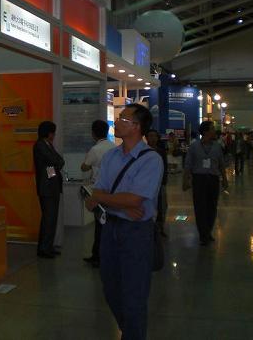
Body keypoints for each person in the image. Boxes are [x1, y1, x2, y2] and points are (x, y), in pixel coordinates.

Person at [84, 104, 163, 340]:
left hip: (136, 232)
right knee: (111, 289)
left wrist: (105, 199)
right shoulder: (111, 156)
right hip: (110, 229)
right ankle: (130, 332)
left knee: (134, 295)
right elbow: (99, 192)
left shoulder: (151, 160)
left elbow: (134, 199)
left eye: (123, 119)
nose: (116, 122)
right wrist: (119, 202)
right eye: (118, 118)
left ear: (136, 127)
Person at [182, 121, 228, 246]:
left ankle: (208, 231)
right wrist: (185, 180)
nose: (214, 131)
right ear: (206, 131)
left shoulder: (217, 146)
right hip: (199, 180)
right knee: (200, 207)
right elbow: (188, 165)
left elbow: (221, 164)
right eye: (212, 128)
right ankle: (203, 234)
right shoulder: (194, 146)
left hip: (213, 179)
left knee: (212, 207)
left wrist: (224, 179)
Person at [81, 120, 116, 267]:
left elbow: (84, 167)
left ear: (93, 133)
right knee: (108, 223)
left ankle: (98, 256)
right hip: (112, 190)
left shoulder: (95, 149)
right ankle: (106, 255)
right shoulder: (114, 147)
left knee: (99, 224)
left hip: (98, 190)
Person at [33, 121, 65, 259]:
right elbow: (55, 161)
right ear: (48, 133)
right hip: (46, 188)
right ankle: (44, 248)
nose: (54, 135)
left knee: (51, 218)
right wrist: (56, 164)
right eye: (53, 132)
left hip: (52, 186)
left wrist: (56, 164)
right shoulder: (40, 145)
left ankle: (48, 246)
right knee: (49, 218)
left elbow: (58, 161)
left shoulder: (47, 144)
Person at [146, 129, 168, 237]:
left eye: (154, 136)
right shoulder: (143, 151)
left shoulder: (161, 151)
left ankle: (160, 227)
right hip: (147, 184)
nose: (153, 138)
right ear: (146, 138)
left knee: (161, 205)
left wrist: (164, 181)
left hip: (160, 183)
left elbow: (165, 167)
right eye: (150, 136)